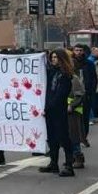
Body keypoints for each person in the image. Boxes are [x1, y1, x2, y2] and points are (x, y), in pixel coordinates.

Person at [42, 49, 76, 177]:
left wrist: (49, 107)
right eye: (52, 57)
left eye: (56, 57)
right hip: (49, 110)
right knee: (51, 138)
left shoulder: (65, 75)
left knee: (63, 137)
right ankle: (53, 163)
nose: (53, 59)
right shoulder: (51, 72)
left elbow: (60, 95)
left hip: (58, 111)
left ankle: (68, 165)